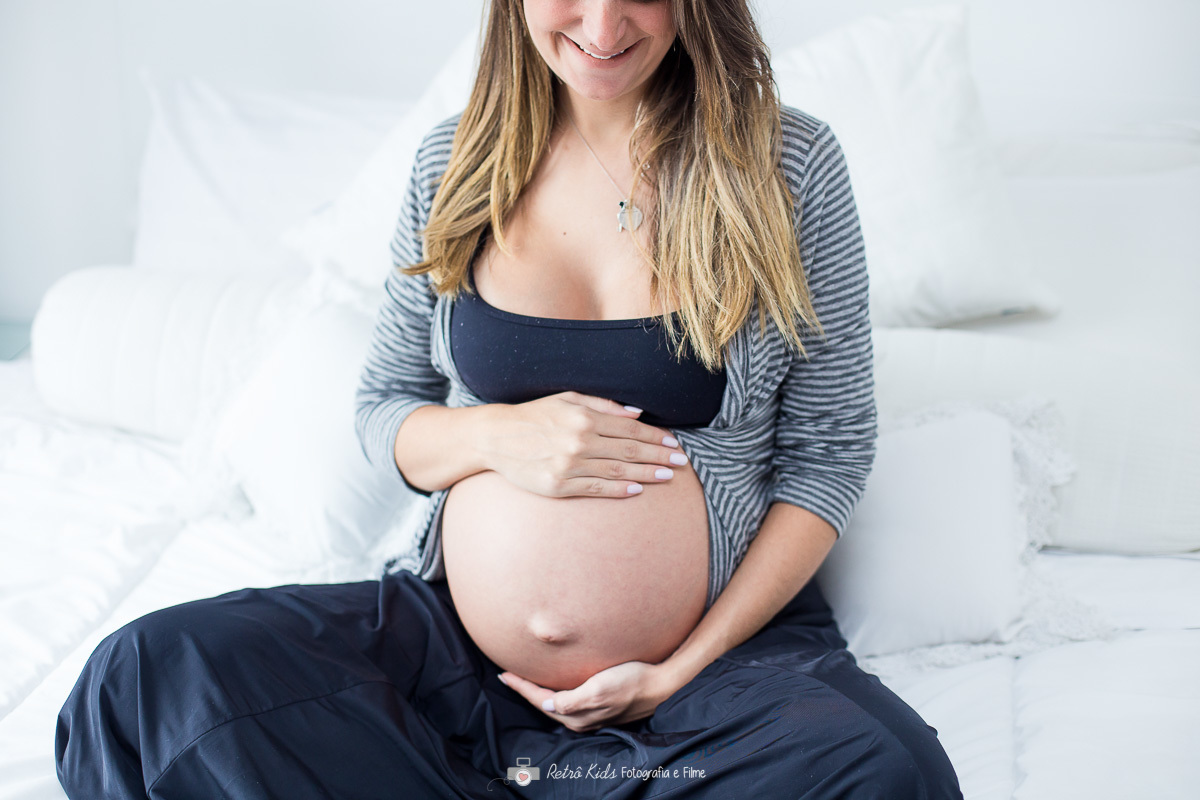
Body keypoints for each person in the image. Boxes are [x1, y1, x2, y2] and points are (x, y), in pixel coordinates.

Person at [54, 1, 965, 797]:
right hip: (452, 657)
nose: (604, 27)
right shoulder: (453, 164)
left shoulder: (786, 163)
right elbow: (385, 411)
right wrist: (498, 437)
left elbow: (830, 452)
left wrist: (679, 667)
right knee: (144, 676)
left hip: (709, 675)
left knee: (885, 771)